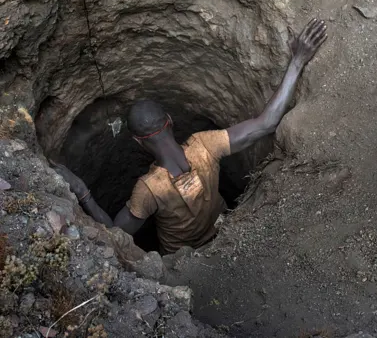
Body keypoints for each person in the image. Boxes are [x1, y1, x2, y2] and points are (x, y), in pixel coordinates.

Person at [51, 18, 328, 254]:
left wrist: (82, 191)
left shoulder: (148, 189)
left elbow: (115, 232)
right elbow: (266, 123)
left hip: (180, 259)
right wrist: (297, 61)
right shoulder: (205, 145)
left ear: (137, 141)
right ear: (170, 121)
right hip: (223, 233)